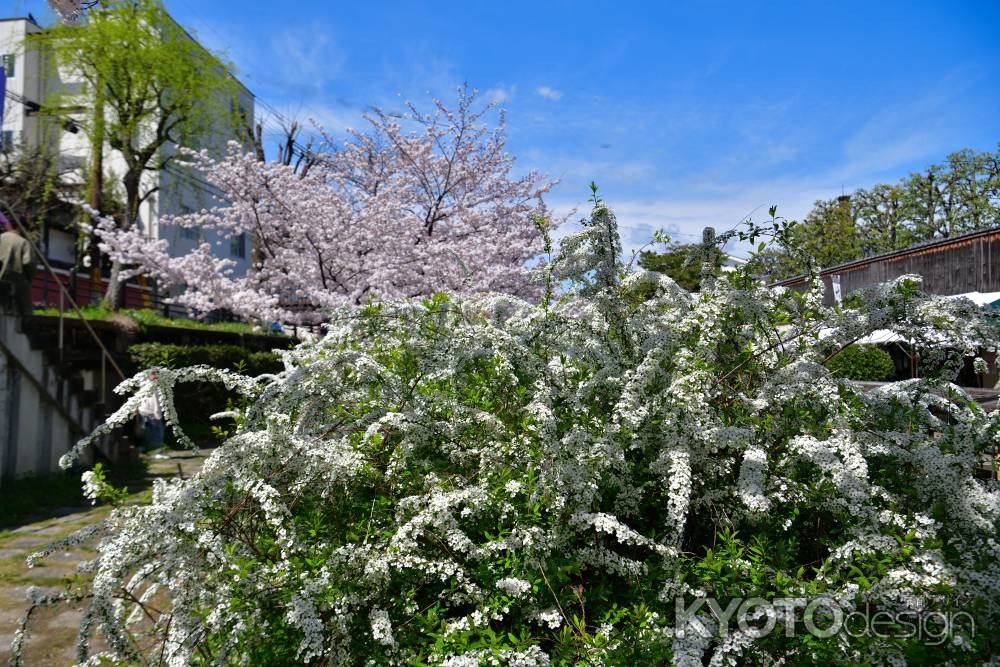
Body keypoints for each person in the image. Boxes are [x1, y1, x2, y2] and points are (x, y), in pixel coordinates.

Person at [0, 211, 36, 317]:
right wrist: (28, 279)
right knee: (23, 313)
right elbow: (29, 263)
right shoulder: (23, 242)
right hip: (17, 285)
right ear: (21, 228)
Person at [137, 377, 165, 452]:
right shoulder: (153, 386)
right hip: (151, 412)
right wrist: (157, 414)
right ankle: (156, 450)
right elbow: (155, 401)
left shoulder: (144, 385)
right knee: (155, 431)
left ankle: (146, 448)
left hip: (145, 411)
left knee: (146, 430)